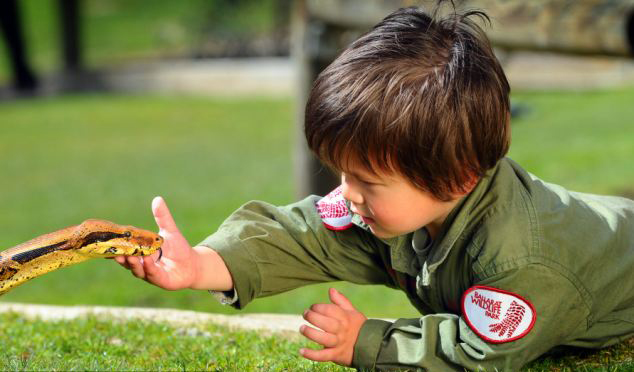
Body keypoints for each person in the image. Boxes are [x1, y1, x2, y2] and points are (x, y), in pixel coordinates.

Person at [114, 5, 634, 371]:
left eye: (366, 180)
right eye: (342, 172)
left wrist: (367, 342)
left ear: (456, 178)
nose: (348, 193)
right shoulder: (399, 200)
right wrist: (201, 264)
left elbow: (481, 353)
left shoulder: (520, 263)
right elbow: (307, 233)